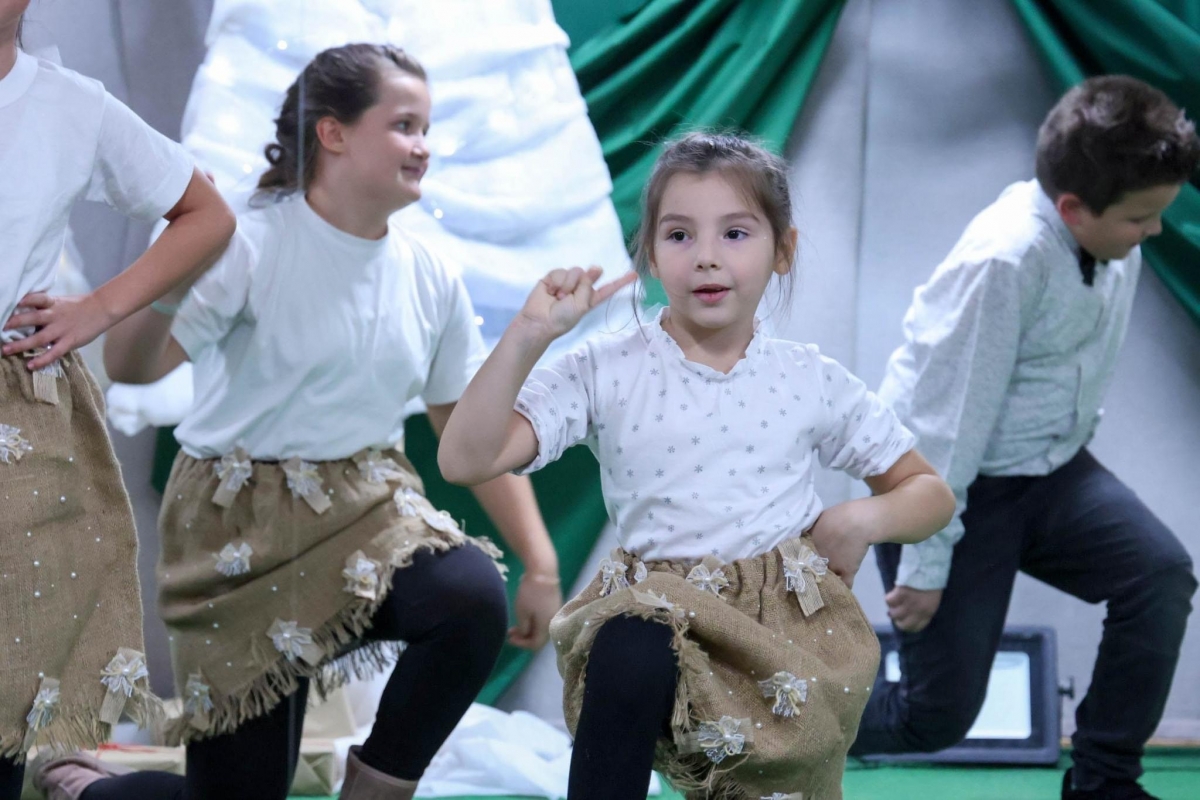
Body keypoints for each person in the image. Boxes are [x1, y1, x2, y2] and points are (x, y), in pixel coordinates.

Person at [35, 43, 561, 800]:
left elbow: (469, 435)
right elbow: (132, 365)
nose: (425, 145)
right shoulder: (248, 243)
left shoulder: (430, 274)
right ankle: (88, 790)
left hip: (364, 513)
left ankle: (376, 788)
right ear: (334, 134)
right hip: (234, 534)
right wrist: (173, 273)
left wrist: (539, 563)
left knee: (470, 594)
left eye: (427, 127)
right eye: (405, 124)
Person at [438, 131, 956, 800]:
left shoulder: (810, 380)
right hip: (654, 617)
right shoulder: (606, 368)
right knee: (629, 645)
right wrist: (528, 336)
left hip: (778, 636)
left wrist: (862, 518)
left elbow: (930, 494)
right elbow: (464, 458)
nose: (706, 258)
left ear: (783, 251)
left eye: (735, 234)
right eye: (679, 236)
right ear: (650, 253)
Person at [850, 75, 1200, 800]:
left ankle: (1103, 784)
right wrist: (926, 558)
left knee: (1158, 574)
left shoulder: (1111, 238)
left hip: (1047, 471)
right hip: (945, 481)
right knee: (932, 718)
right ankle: (757, 720)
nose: (1154, 232)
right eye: (1141, 219)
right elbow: (946, 422)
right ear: (1073, 209)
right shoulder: (1003, 262)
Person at [0, 2, 235, 796]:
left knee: (7, 686)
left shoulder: (71, 104)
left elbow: (205, 214)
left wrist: (95, 310)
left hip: (17, 418)